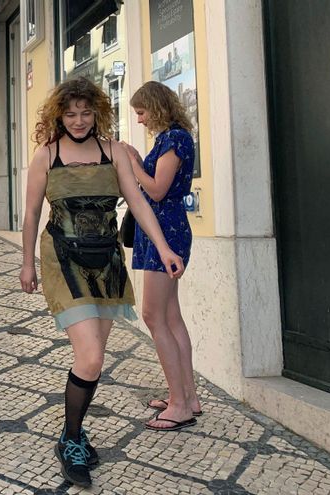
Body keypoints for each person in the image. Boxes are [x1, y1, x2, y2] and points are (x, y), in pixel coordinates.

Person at [18, 78, 185, 488]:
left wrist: (163, 249)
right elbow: (30, 213)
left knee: (93, 359)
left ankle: (74, 431)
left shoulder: (113, 152)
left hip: (106, 260)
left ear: (97, 112)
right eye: (71, 113)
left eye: (86, 112)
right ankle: (71, 438)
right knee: (90, 356)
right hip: (62, 258)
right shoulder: (46, 155)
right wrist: (26, 264)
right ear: (59, 114)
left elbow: (141, 202)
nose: (78, 120)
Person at [123, 81, 200, 431]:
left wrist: (132, 163)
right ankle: (187, 396)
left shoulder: (174, 139)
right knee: (171, 317)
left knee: (154, 315)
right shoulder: (172, 137)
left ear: (155, 107)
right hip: (164, 228)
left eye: (141, 112)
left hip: (165, 231)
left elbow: (156, 189)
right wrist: (140, 161)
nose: (139, 119)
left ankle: (180, 404)